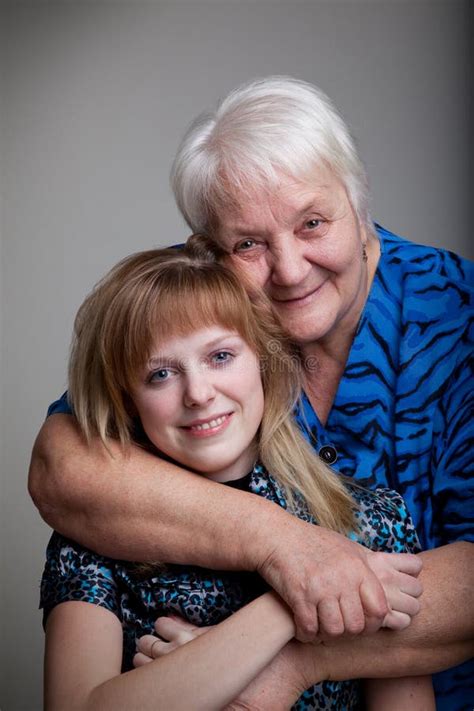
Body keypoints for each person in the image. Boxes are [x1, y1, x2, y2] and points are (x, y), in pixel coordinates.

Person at [29, 77, 473, 709]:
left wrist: (284, 653)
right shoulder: (206, 314)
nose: (290, 270)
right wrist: (285, 544)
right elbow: (64, 465)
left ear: (360, 201)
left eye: (313, 223)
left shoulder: (460, 315)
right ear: (206, 249)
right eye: (248, 244)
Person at [41, 238, 433, 710]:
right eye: (160, 374)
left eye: (220, 356)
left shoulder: (370, 522)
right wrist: (286, 608)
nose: (199, 393)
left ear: (264, 364)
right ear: (127, 401)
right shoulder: (98, 534)